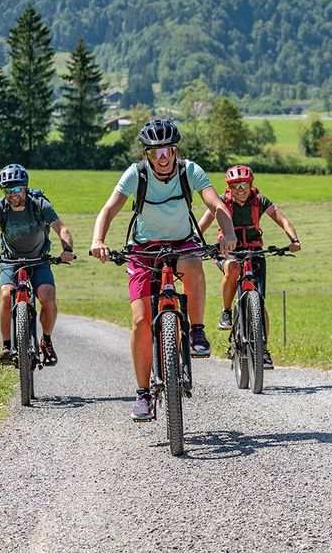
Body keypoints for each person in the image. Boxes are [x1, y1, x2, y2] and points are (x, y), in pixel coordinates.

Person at [89, 118, 236, 422]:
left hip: (181, 242)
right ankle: (143, 394)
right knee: (141, 320)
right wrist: (98, 240)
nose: (162, 156)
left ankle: (196, 331)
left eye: (167, 149)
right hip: (144, 248)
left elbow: (216, 204)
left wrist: (229, 233)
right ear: (147, 154)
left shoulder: (189, 171)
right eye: (155, 151)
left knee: (194, 265)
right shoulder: (136, 174)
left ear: (175, 149)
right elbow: (109, 209)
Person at [0, 164, 75, 367]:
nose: (13, 194)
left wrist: (67, 249)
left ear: (25, 187)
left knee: (47, 297)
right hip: (10, 262)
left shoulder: (40, 205)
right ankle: (7, 346)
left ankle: (46, 340)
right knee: (6, 295)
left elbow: (62, 228)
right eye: (8, 189)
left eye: (17, 189)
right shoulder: (0, 207)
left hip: (39, 260)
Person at [197, 164, 302, 370]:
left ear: (251, 184)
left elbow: (283, 220)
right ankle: (226, 312)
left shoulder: (260, 201)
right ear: (229, 187)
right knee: (233, 267)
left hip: (254, 252)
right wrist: (195, 245)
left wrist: (294, 239)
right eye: (235, 185)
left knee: (259, 303)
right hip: (229, 252)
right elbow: (200, 227)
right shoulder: (222, 202)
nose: (240, 189)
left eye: (244, 184)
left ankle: (263, 349)